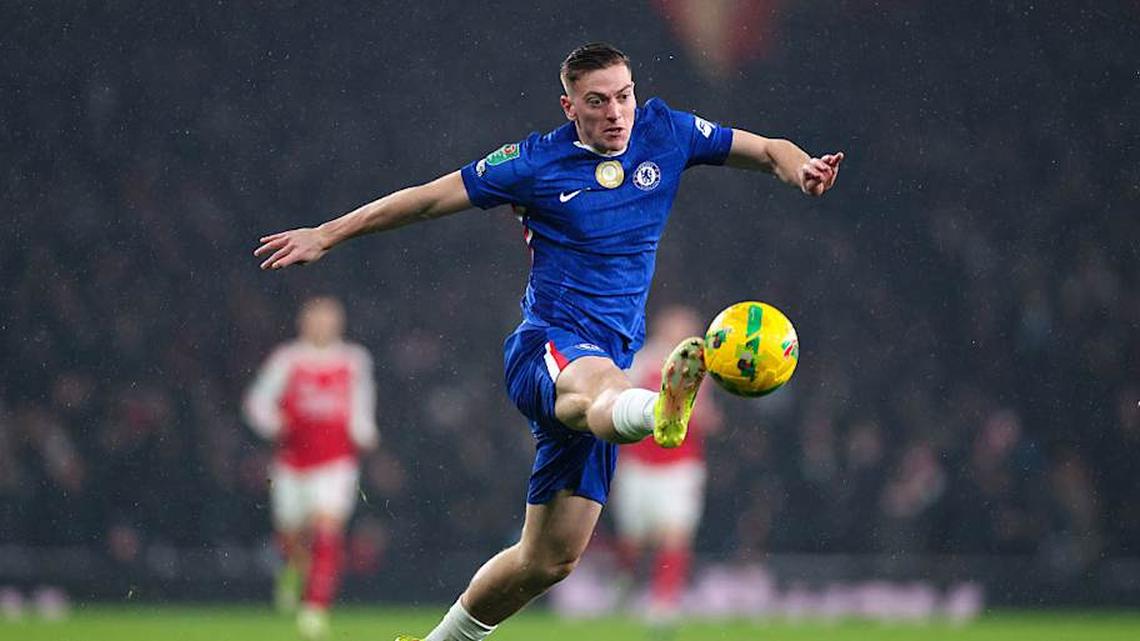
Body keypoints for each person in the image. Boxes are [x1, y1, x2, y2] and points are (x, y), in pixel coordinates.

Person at [253, 42, 841, 641]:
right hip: (549, 347)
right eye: (597, 102)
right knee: (600, 390)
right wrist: (327, 234)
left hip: (607, 366)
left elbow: (768, 150)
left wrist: (802, 169)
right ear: (569, 107)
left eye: (624, 96)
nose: (616, 113)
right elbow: (429, 199)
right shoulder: (534, 164)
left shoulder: (666, 131)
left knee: (547, 560)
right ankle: (657, 407)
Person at [242, 296, 379, 640]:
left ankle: (315, 608)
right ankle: (290, 573)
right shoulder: (288, 359)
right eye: (317, 318)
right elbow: (257, 402)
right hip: (292, 463)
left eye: (330, 318)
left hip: (336, 463)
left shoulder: (354, 360)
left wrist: (364, 430)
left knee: (326, 530)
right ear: (304, 322)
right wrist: (274, 423)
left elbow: (361, 402)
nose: (323, 324)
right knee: (291, 536)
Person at [608, 304, 723, 631]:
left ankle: (663, 604)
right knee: (634, 538)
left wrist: (703, 417)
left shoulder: (702, 369)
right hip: (638, 464)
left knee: (675, 534)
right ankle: (625, 582)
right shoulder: (641, 362)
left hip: (680, 465)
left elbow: (706, 417)